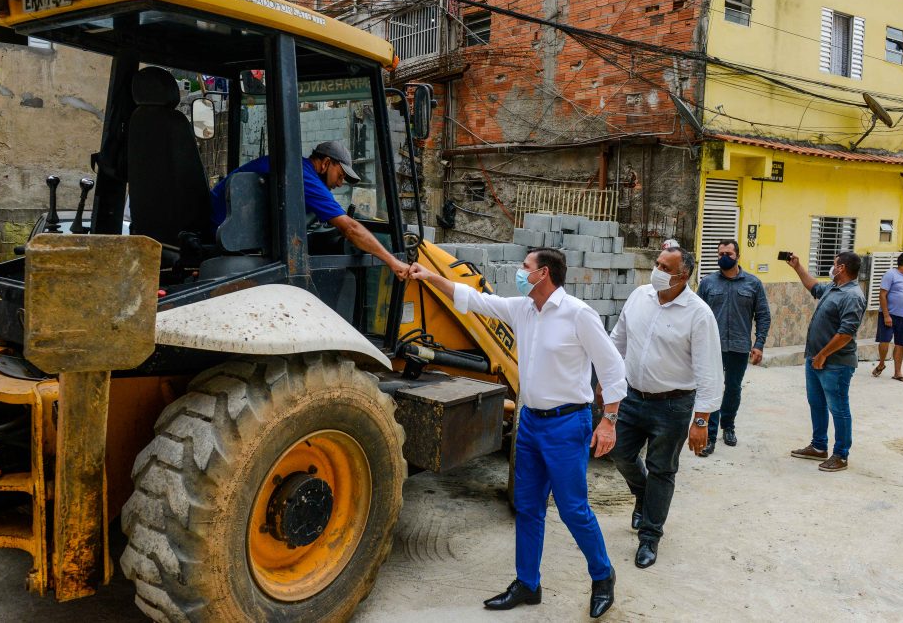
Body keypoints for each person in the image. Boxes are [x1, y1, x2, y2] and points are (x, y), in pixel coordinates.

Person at [408, 248, 626, 619]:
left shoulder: (577, 314)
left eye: (524, 267)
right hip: (531, 423)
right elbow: (472, 298)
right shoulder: (522, 309)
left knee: (573, 510)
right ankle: (528, 583)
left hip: (567, 424)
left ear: (543, 273)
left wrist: (609, 420)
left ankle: (603, 576)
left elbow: (612, 367)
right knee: (527, 507)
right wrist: (429, 277)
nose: (518, 272)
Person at [607, 246, 722, 569]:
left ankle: (650, 536)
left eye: (663, 266)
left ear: (682, 276)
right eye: (656, 263)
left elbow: (709, 370)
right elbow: (618, 340)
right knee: (618, 453)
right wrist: (607, 378)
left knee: (662, 470)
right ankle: (644, 496)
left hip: (672, 406)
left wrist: (701, 421)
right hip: (631, 398)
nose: (655, 269)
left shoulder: (698, 314)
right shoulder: (640, 296)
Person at [209, 141, 410, 279]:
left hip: (223, 230)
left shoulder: (297, 169)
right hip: (220, 233)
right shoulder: (302, 175)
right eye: (340, 175)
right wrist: (392, 261)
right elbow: (350, 228)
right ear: (326, 163)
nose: (340, 184)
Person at [785, 251, 866, 472]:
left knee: (838, 408)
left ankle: (840, 455)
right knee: (817, 403)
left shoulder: (853, 295)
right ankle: (819, 446)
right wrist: (797, 267)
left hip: (836, 363)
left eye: (834, 264)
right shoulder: (833, 287)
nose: (831, 267)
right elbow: (814, 287)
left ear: (841, 268)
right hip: (815, 359)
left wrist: (823, 355)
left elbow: (846, 333)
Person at [695, 239, 771, 456]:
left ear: (738, 255)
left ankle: (728, 426)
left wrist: (759, 344)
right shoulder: (708, 283)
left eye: (728, 253)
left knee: (733, 389)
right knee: (711, 389)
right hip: (712, 347)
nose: (724, 257)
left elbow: (763, 315)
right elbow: (696, 314)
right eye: (720, 254)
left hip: (739, 346)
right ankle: (709, 435)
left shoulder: (753, 284)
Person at [872, 252, 903, 383]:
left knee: (901, 344)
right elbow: (882, 295)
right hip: (889, 314)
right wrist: (886, 315)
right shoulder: (890, 274)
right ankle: (881, 363)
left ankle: (898, 373)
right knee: (884, 341)